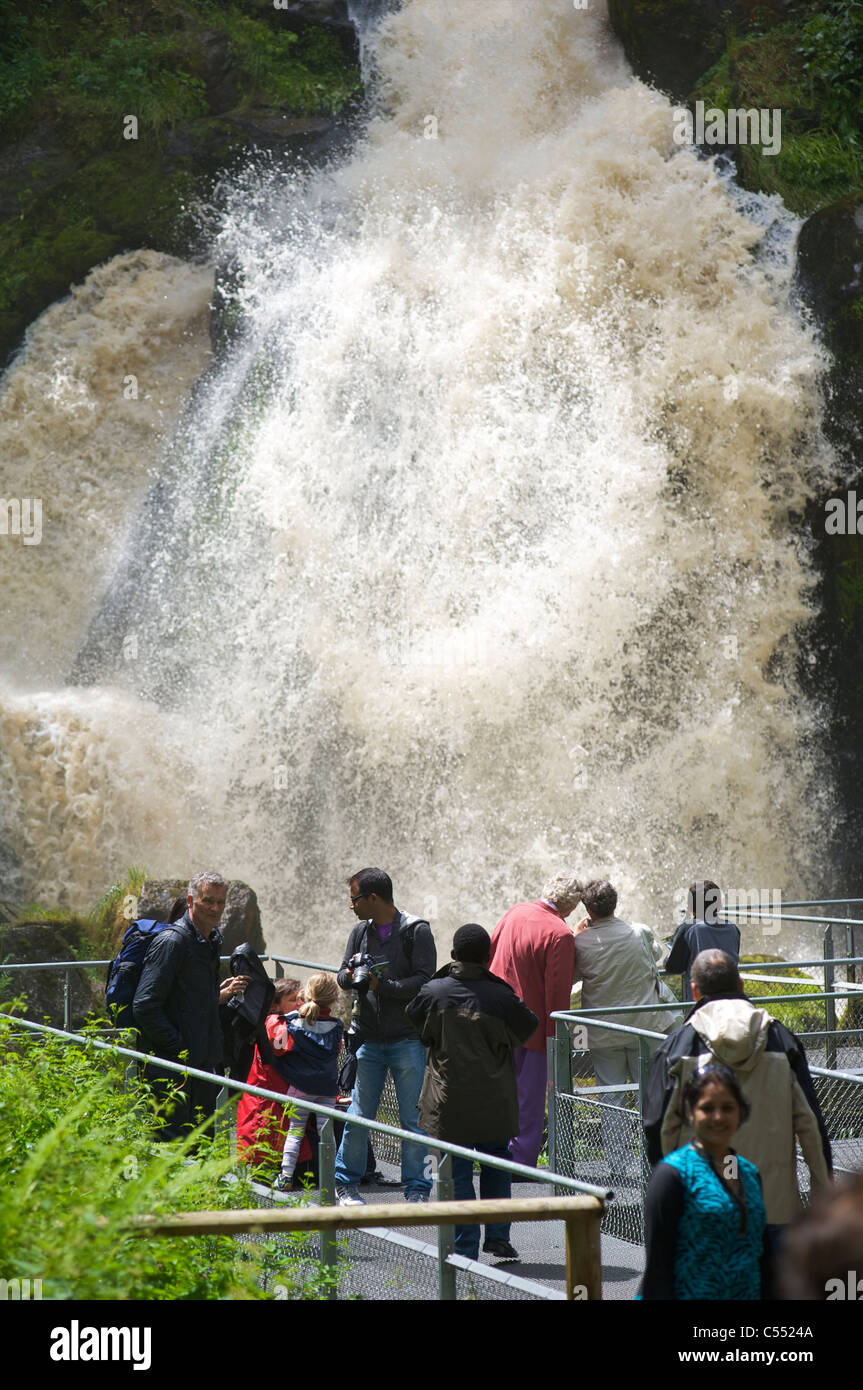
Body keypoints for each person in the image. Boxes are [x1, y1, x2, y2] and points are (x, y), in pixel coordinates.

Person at [643, 948, 832, 1239]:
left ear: (695, 991)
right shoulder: (782, 1041)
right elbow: (811, 1127)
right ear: (741, 983)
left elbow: (657, 1127)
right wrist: (822, 1200)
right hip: (775, 1209)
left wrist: (670, 1196)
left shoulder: (676, 1048)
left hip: (702, 1208)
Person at [407, 923, 539, 1261]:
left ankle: (465, 1246)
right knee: (496, 1166)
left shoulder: (434, 992)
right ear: (488, 956)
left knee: (456, 1171)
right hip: (494, 1100)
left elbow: (417, 1027)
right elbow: (528, 1028)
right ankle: (497, 1237)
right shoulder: (501, 996)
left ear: (453, 956)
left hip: (448, 1101)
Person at [334, 867, 436, 1206]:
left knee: (412, 1119)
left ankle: (417, 1189)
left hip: (407, 1037)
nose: (351, 905)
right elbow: (340, 974)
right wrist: (351, 977)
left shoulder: (416, 931)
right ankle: (345, 1185)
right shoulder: (359, 932)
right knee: (360, 1115)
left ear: (373, 898)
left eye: (354, 899)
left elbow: (424, 982)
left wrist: (383, 986)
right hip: (368, 1037)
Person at [640, 1065, 768, 1300]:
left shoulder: (749, 1174)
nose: (718, 1117)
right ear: (690, 1112)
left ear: (740, 1112)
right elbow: (657, 1268)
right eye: (707, 1108)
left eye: (727, 1108)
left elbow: (761, 1256)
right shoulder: (672, 1175)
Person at [133, 871, 244, 1138]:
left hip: (203, 1065)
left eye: (220, 902)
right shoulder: (172, 942)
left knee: (201, 1143)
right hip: (171, 1068)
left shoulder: (210, 940)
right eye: (208, 901)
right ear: (191, 900)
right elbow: (144, 1005)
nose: (215, 908)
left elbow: (189, 999)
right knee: (171, 1147)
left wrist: (217, 998)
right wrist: (180, 1048)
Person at [571, 880, 669, 1174]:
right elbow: (657, 955)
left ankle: (618, 1166)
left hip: (604, 1032)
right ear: (615, 904)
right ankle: (653, 1161)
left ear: (587, 910)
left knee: (611, 1097)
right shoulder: (639, 932)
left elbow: (572, 976)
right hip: (645, 1027)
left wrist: (576, 934)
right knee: (649, 1095)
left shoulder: (581, 943)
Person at [489, 872, 582, 1169]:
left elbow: (490, 952)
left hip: (497, 1020)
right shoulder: (560, 934)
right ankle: (520, 1162)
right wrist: (558, 1040)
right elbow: (557, 992)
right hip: (534, 1028)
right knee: (529, 1099)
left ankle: (493, 1153)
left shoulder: (515, 911)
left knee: (500, 1091)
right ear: (572, 906)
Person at [274, 973, 344, 1192]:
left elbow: (278, 1046)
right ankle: (331, 1178)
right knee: (327, 1133)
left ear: (307, 994)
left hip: (301, 1086)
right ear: (333, 999)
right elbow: (337, 1050)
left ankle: (286, 1176)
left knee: (295, 1131)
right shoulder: (337, 1025)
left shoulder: (293, 1022)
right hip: (327, 1087)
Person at [236, 977, 302, 1170]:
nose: (299, 1004)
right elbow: (283, 1047)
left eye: (300, 999)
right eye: (292, 1000)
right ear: (276, 1005)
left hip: (275, 1094)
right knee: (262, 1145)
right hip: (266, 1096)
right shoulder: (274, 1022)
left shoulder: (283, 1020)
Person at [665, 881, 741, 1003]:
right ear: (719, 906)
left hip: (700, 1003)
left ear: (690, 907)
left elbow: (673, 966)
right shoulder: (733, 929)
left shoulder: (688, 929)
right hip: (731, 1000)